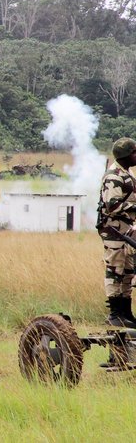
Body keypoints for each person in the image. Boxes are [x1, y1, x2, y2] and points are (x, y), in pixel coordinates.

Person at [97, 138, 136, 329]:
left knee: (128, 270)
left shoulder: (126, 173)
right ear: (126, 155)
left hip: (126, 230)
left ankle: (126, 313)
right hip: (114, 230)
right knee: (115, 269)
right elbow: (112, 206)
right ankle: (115, 314)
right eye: (134, 152)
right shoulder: (113, 176)